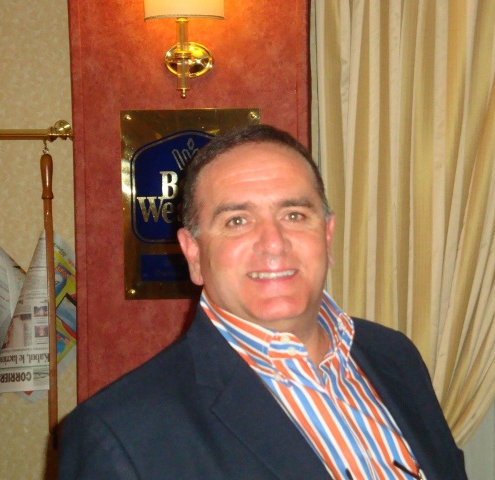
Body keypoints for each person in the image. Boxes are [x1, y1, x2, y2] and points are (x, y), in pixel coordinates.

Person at [58, 125, 467, 479]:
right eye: (237, 221)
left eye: (294, 215)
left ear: (327, 236)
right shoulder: (119, 435)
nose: (274, 243)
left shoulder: (396, 356)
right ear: (194, 254)